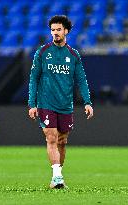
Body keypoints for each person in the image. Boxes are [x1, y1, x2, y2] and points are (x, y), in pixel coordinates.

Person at [28, 15, 93, 189]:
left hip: (65, 104)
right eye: (52, 30)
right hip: (45, 102)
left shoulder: (73, 55)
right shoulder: (42, 52)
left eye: (58, 30)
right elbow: (34, 78)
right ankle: (57, 176)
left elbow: (82, 80)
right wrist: (32, 103)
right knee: (51, 137)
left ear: (66, 31)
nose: (55, 33)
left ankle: (57, 176)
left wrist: (87, 102)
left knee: (62, 141)